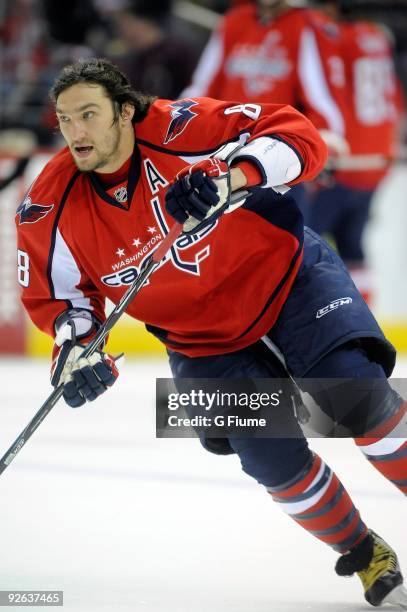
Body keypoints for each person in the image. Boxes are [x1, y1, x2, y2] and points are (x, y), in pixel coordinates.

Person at [16, 58, 407, 608]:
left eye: (89, 115)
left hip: (290, 281)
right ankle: (367, 557)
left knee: (353, 399)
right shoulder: (47, 205)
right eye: (65, 119)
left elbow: (299, 136)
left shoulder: (183, 129)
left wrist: (233, 177)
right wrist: (77, 347)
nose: (76, 132)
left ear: (125, 111)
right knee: (270, 459)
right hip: (200, 339)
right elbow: (62, 300)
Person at [181, 0, 350, 220]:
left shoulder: (306, 25)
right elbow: (202, 86)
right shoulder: (235, 20)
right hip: (221, 157)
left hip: (273, 161)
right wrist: (176, 123)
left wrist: (321, 142)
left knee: (284, 246)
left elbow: (322, 99)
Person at [307, 0, 404, 303]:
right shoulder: (376, 34)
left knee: (304, 241)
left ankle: (321, 319)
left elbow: (326, 90)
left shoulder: (335, 37)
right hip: (377, 160)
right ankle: (365, 326)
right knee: (353, 245)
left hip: (347, 157)